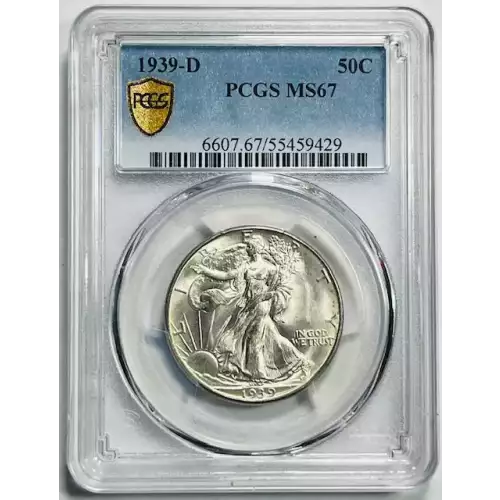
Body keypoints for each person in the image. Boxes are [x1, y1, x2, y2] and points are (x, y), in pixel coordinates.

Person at [191, 234, 311, 382]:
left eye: (250, 246)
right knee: (260, 336)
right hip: (247, 306)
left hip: (260, 306)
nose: (248, 249)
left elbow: (275, 289)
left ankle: (259, 374)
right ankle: (292, 362)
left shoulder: (270, 268)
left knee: (255, 340)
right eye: (248, 246)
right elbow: (227, 275)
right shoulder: (246, 267)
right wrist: (205, 270)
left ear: (257, 248)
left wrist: (263, 297)